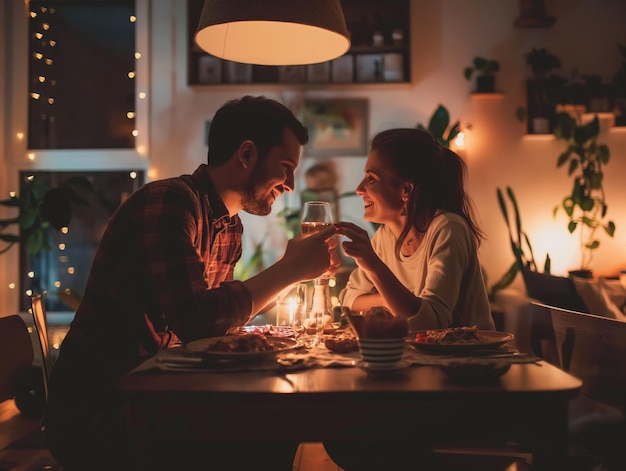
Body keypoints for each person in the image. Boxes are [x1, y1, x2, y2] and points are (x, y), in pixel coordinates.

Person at [43, 95, 338, 471]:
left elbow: (216, 326)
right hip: (104, 413)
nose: (291, 184)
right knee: (269, 439)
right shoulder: (169, 202)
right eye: (285, 167)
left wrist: (291, 275)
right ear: (246, 154)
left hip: (158, 395)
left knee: (280, 427)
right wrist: (289, 270)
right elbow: (197, 320)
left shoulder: (230, 225)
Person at [324, 128, 494, 470]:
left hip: (465, 388)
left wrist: (372, 266)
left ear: (406, 189)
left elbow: (431, 322)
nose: (360, 189)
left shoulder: (447, 228)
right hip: (417, 383)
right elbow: (348, 299)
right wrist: (393, 301)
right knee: (337, 428)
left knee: (351, 436)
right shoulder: (388, 236)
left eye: (371, 178)